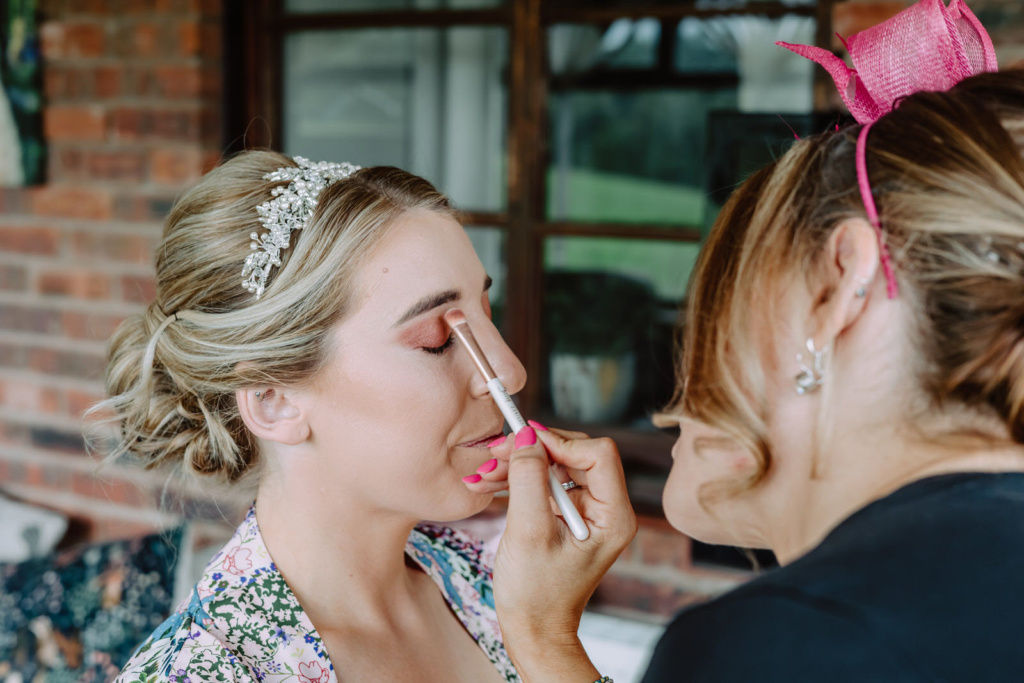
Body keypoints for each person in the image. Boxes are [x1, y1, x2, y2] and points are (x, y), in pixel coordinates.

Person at [486, 2, 1024, 681]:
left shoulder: (787, 641)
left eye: (728, 306)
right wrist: (544, 636)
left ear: (839, 288)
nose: (687, 376)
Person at [102, 152, 526, 682]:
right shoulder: (203, 673)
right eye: (438, 341)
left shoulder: (486, 582)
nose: (508, 372)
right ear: (274, 400)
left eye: (488, 316)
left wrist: (550, 640)